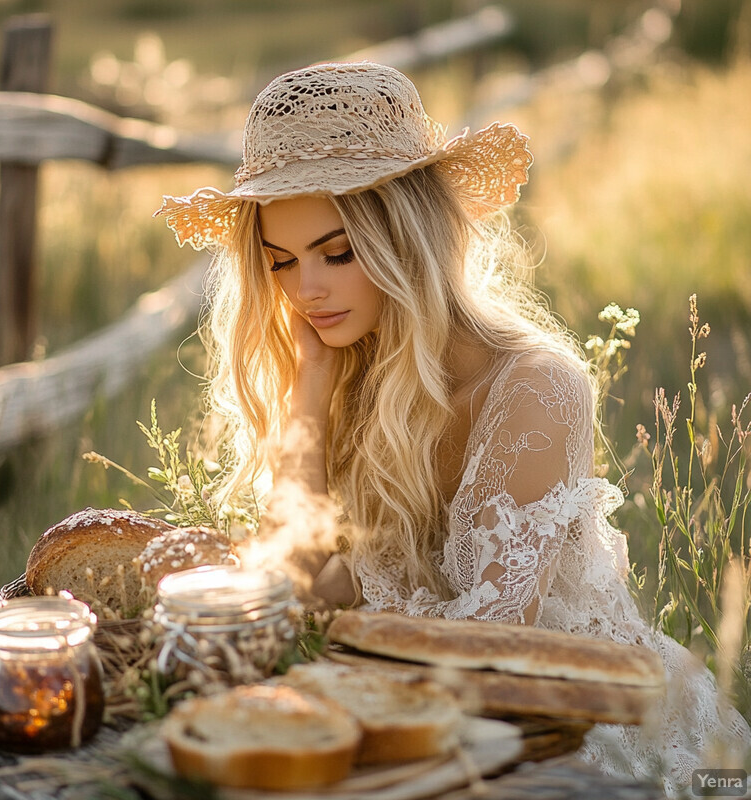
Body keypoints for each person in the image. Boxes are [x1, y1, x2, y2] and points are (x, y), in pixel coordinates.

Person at [156, 61, 750, 794]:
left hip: (585, 735)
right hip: (428, 724)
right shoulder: (347, 371)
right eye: (282, 263)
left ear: (408, 236)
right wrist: (306, 403)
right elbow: (298, 587)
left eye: (338, 253)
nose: (306, 291)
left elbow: (495, 656)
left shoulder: (534, 388)